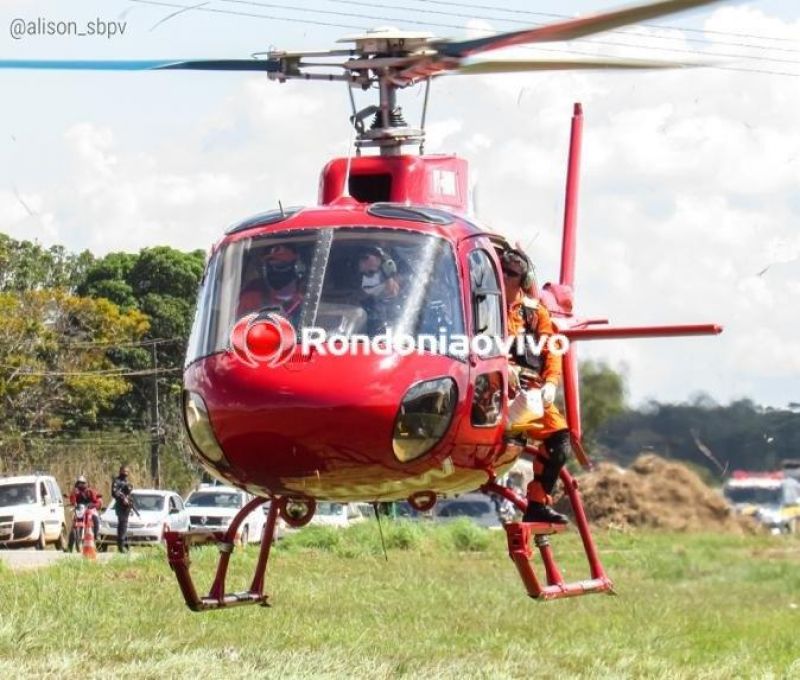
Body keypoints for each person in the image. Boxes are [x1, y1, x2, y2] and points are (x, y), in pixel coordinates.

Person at [502, 248, 571, 525]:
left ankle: (538, 502)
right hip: (485, 390)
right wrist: (497, 364)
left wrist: (551, 383)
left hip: (524, 395)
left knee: (559, 440)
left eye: (511, 274)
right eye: (501, 271)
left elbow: (551, 350)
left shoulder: (535, 314)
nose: (504, 277)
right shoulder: (473, 306)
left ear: (523, 279)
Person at [237, 244, 305, 323]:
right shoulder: (251, 297)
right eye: (270, 265)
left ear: (297, 267)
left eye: (281, 265)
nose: (274, 270)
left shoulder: (312, 293)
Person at [356, 246, 402, 334]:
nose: (365, 277)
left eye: (371, 273)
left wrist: (390, 279)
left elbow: (393, 290)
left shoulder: (410, 300)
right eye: (362, 273)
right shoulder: (361, 304)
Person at [68, 475, 102, 550]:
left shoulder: (90, 491)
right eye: (79, 483)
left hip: (90, 509)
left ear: (86, 483)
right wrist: (73, 502)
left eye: (83, 483)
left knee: (96, 517)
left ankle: (97, 535)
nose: (81, 485)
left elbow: (96, 501)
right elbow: (72, 499)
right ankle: (69, 547)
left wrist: (94, 504)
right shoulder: (76, 491)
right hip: (79, 510)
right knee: (73, 526)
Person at [111, 465, 135, 553]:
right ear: (120, 471)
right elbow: (114, 493)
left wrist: (130, 501)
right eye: (124, 471)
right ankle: (121, 545)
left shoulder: (127, 482)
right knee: (122, 524)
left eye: (127, 472)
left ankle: (124, 544)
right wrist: (122, 498)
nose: (125, 473)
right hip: (120, 506)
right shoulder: (117, 481)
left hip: (127, 507)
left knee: (124, 525)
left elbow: (130, 493)